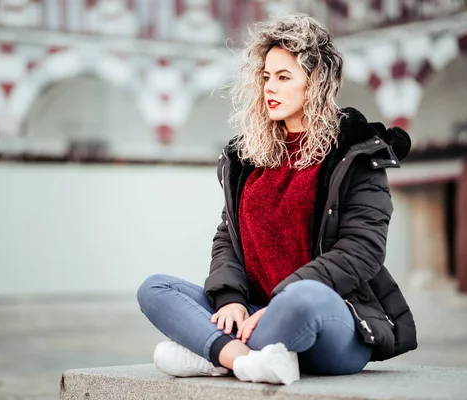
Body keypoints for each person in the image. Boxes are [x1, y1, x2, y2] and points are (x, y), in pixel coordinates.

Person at [137, 13, 417, 385]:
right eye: (266, 77)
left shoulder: (356, 154)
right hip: (254, 311)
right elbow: (228, 237)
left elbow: (361, 251)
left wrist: (278, 304)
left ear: (316, 83)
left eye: (284, 77)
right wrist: (230, 299)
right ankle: (240, 358)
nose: (270, 87)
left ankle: (211, 353)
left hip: (330, 317)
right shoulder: (249, 157)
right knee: (156, 288)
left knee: (302, 298)